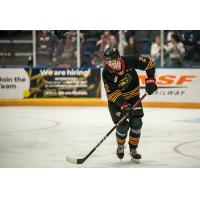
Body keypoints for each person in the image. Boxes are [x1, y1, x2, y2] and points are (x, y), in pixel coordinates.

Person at [102, 46, 157, 162]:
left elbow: (149, 64)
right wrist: (123, 105)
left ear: (118, 58)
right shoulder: (106, 72)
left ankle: (133, 150)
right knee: (123, 126)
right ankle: (120, 145)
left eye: (112, 61)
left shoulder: (130, 60)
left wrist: (151, 80)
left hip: (133, 98)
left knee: (136, 123)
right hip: (116, 102)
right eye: (108, 62)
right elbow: (112, 93)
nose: (110, 64)